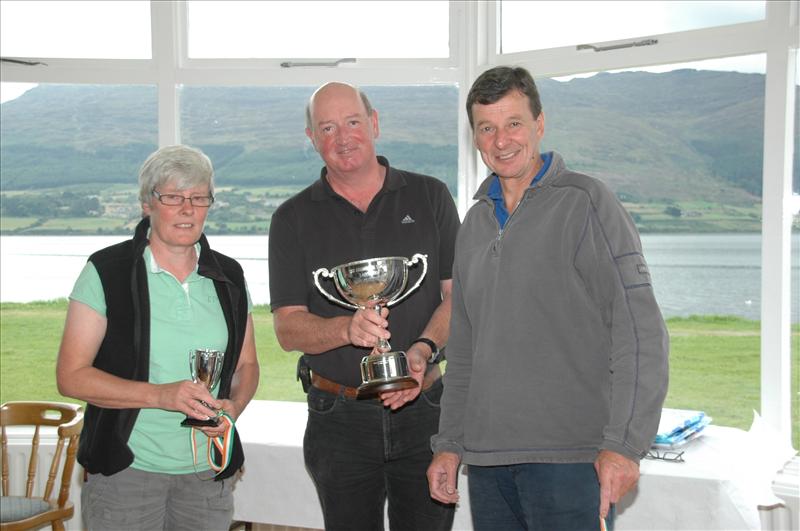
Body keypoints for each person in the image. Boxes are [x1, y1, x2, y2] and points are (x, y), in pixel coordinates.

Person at [427, 66, 669, 531]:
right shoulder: (475, 223)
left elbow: (639, 333)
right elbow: (465, 352)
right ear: (475, 137)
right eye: (487, 128)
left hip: (572, 462)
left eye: (514, 123)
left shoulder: (587, 203)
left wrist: (625, 443)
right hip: (488, 464)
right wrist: (449, 443)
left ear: (539, 123)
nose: (502, 141)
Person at [268, 82, 459, 530]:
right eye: (327, 127)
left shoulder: (430, 197)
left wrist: (423, 351)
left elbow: (458, 298)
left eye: (352, 122)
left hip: (425, 407)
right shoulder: (291, 219)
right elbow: (288, 329)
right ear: (312, 138)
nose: (342, 137)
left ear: (373, 123)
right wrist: (346, 330)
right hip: (338, 420)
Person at [56, 144, 260, 531]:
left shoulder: (229, 277)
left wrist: (233, 408)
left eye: (199, 198)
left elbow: (247, 365)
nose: (187, 209)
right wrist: (161, 395)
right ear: (147, 204)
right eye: (173, 197)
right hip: (126, 471)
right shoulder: (106, 271)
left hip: (207, 474)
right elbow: (71, 376)